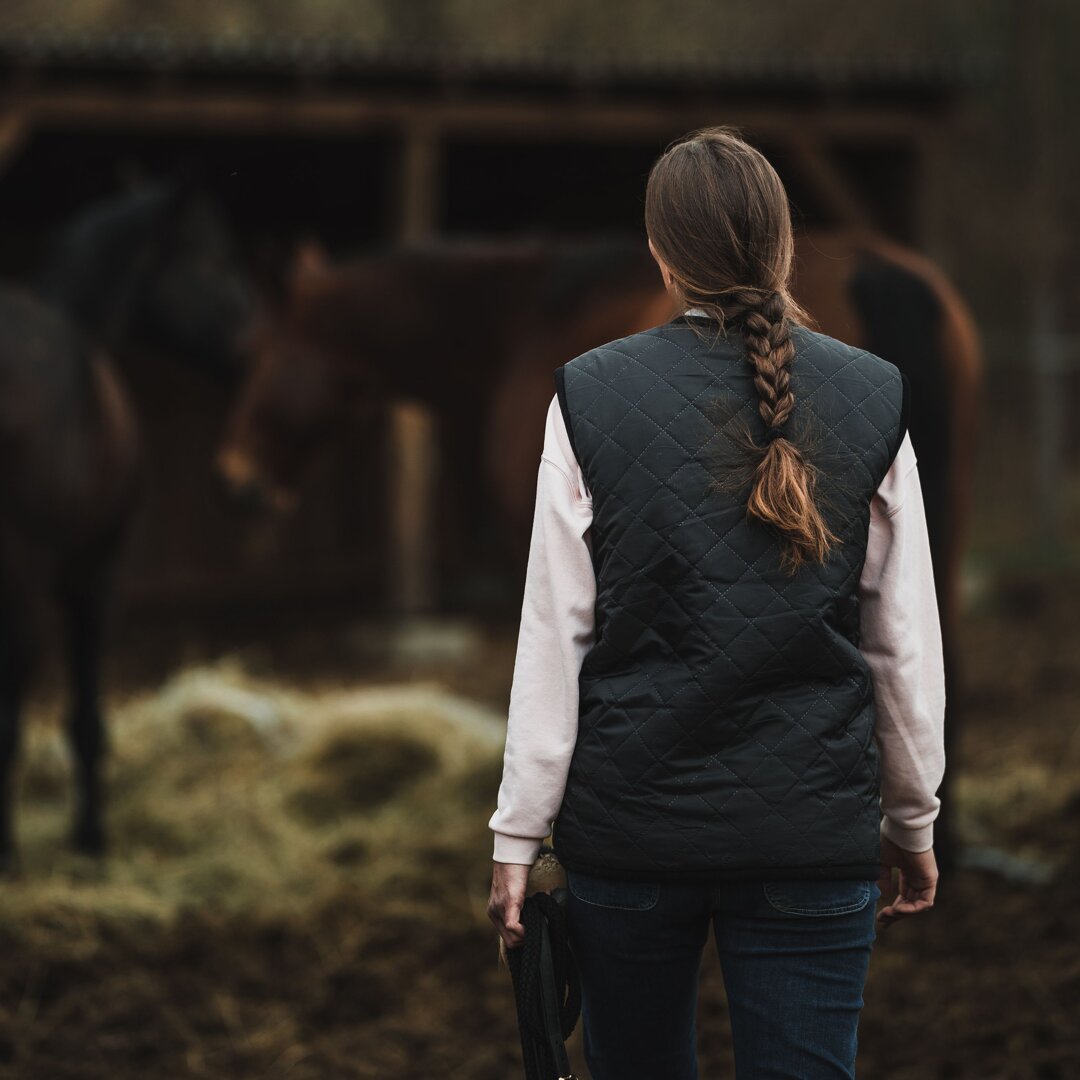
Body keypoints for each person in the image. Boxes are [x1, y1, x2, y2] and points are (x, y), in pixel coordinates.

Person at [487, 125, 945, 1080]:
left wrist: (519, 831)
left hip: (630, 843)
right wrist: (912, 817)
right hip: (812, 837)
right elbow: (899, 644)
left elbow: (555, 634)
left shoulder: (586, 397)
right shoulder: (875, 395)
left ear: (661, 254)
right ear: (784, 249)